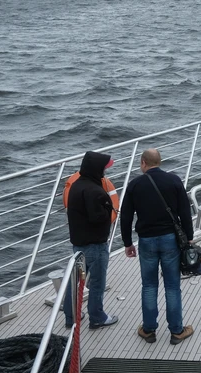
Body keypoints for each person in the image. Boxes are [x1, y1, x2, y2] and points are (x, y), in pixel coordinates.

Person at [121, 148, 194, 345]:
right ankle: (177, 331)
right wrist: (189, 238)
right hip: (170, 240)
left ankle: (148, 329)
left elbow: (126, 217)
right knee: (172, 286)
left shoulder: (135, 185)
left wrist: (127, 243)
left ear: (143, 162)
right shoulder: (174, 181)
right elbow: (185, 211)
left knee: (149, 285)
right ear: (159, 162)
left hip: (146, 241)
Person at [63, 150, 119, 330]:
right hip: (95, 245)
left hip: (78, 244)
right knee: (97, 283)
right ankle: (97, 316)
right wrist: (108, 207)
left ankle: (70, 315)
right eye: (103, 168)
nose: (105, 171)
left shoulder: (76, 186)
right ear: (96, 169)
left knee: (74, 282)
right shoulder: (95, 191)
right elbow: (99, 218)